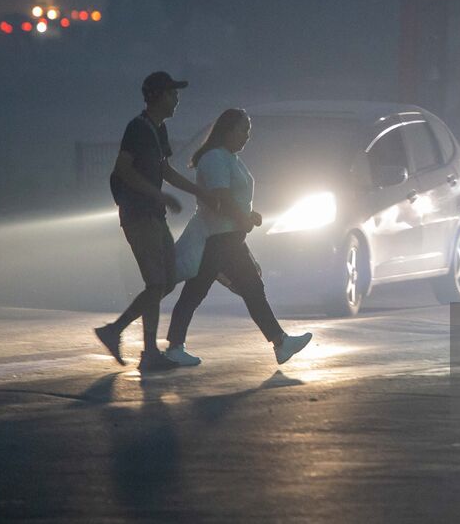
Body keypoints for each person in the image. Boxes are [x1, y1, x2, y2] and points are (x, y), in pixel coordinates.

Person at [165, 108, 313, 367]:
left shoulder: (228, 157)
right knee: (241, 289)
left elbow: (233, 198)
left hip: (228, 236)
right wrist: (242, 218)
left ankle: (279, 341)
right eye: (243, 130)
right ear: (228, 130)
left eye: (248, 131)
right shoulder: (215, 159)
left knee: (211, 290)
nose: (246, 136)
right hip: (219, 237)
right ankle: (279, 341)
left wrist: (248, 215)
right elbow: (221, 196)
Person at [94, 71, 218, 373]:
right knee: (157, 282)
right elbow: (123, 169)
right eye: (172, 94)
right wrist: (159, 196)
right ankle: (145, 349)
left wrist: (196, 190)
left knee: (166, 279)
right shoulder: (137, 128)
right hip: (138, 215)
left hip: (153, 214)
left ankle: (118, 332)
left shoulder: (157, 130)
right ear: (158, 96)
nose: (177, 100)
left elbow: (166, 170)